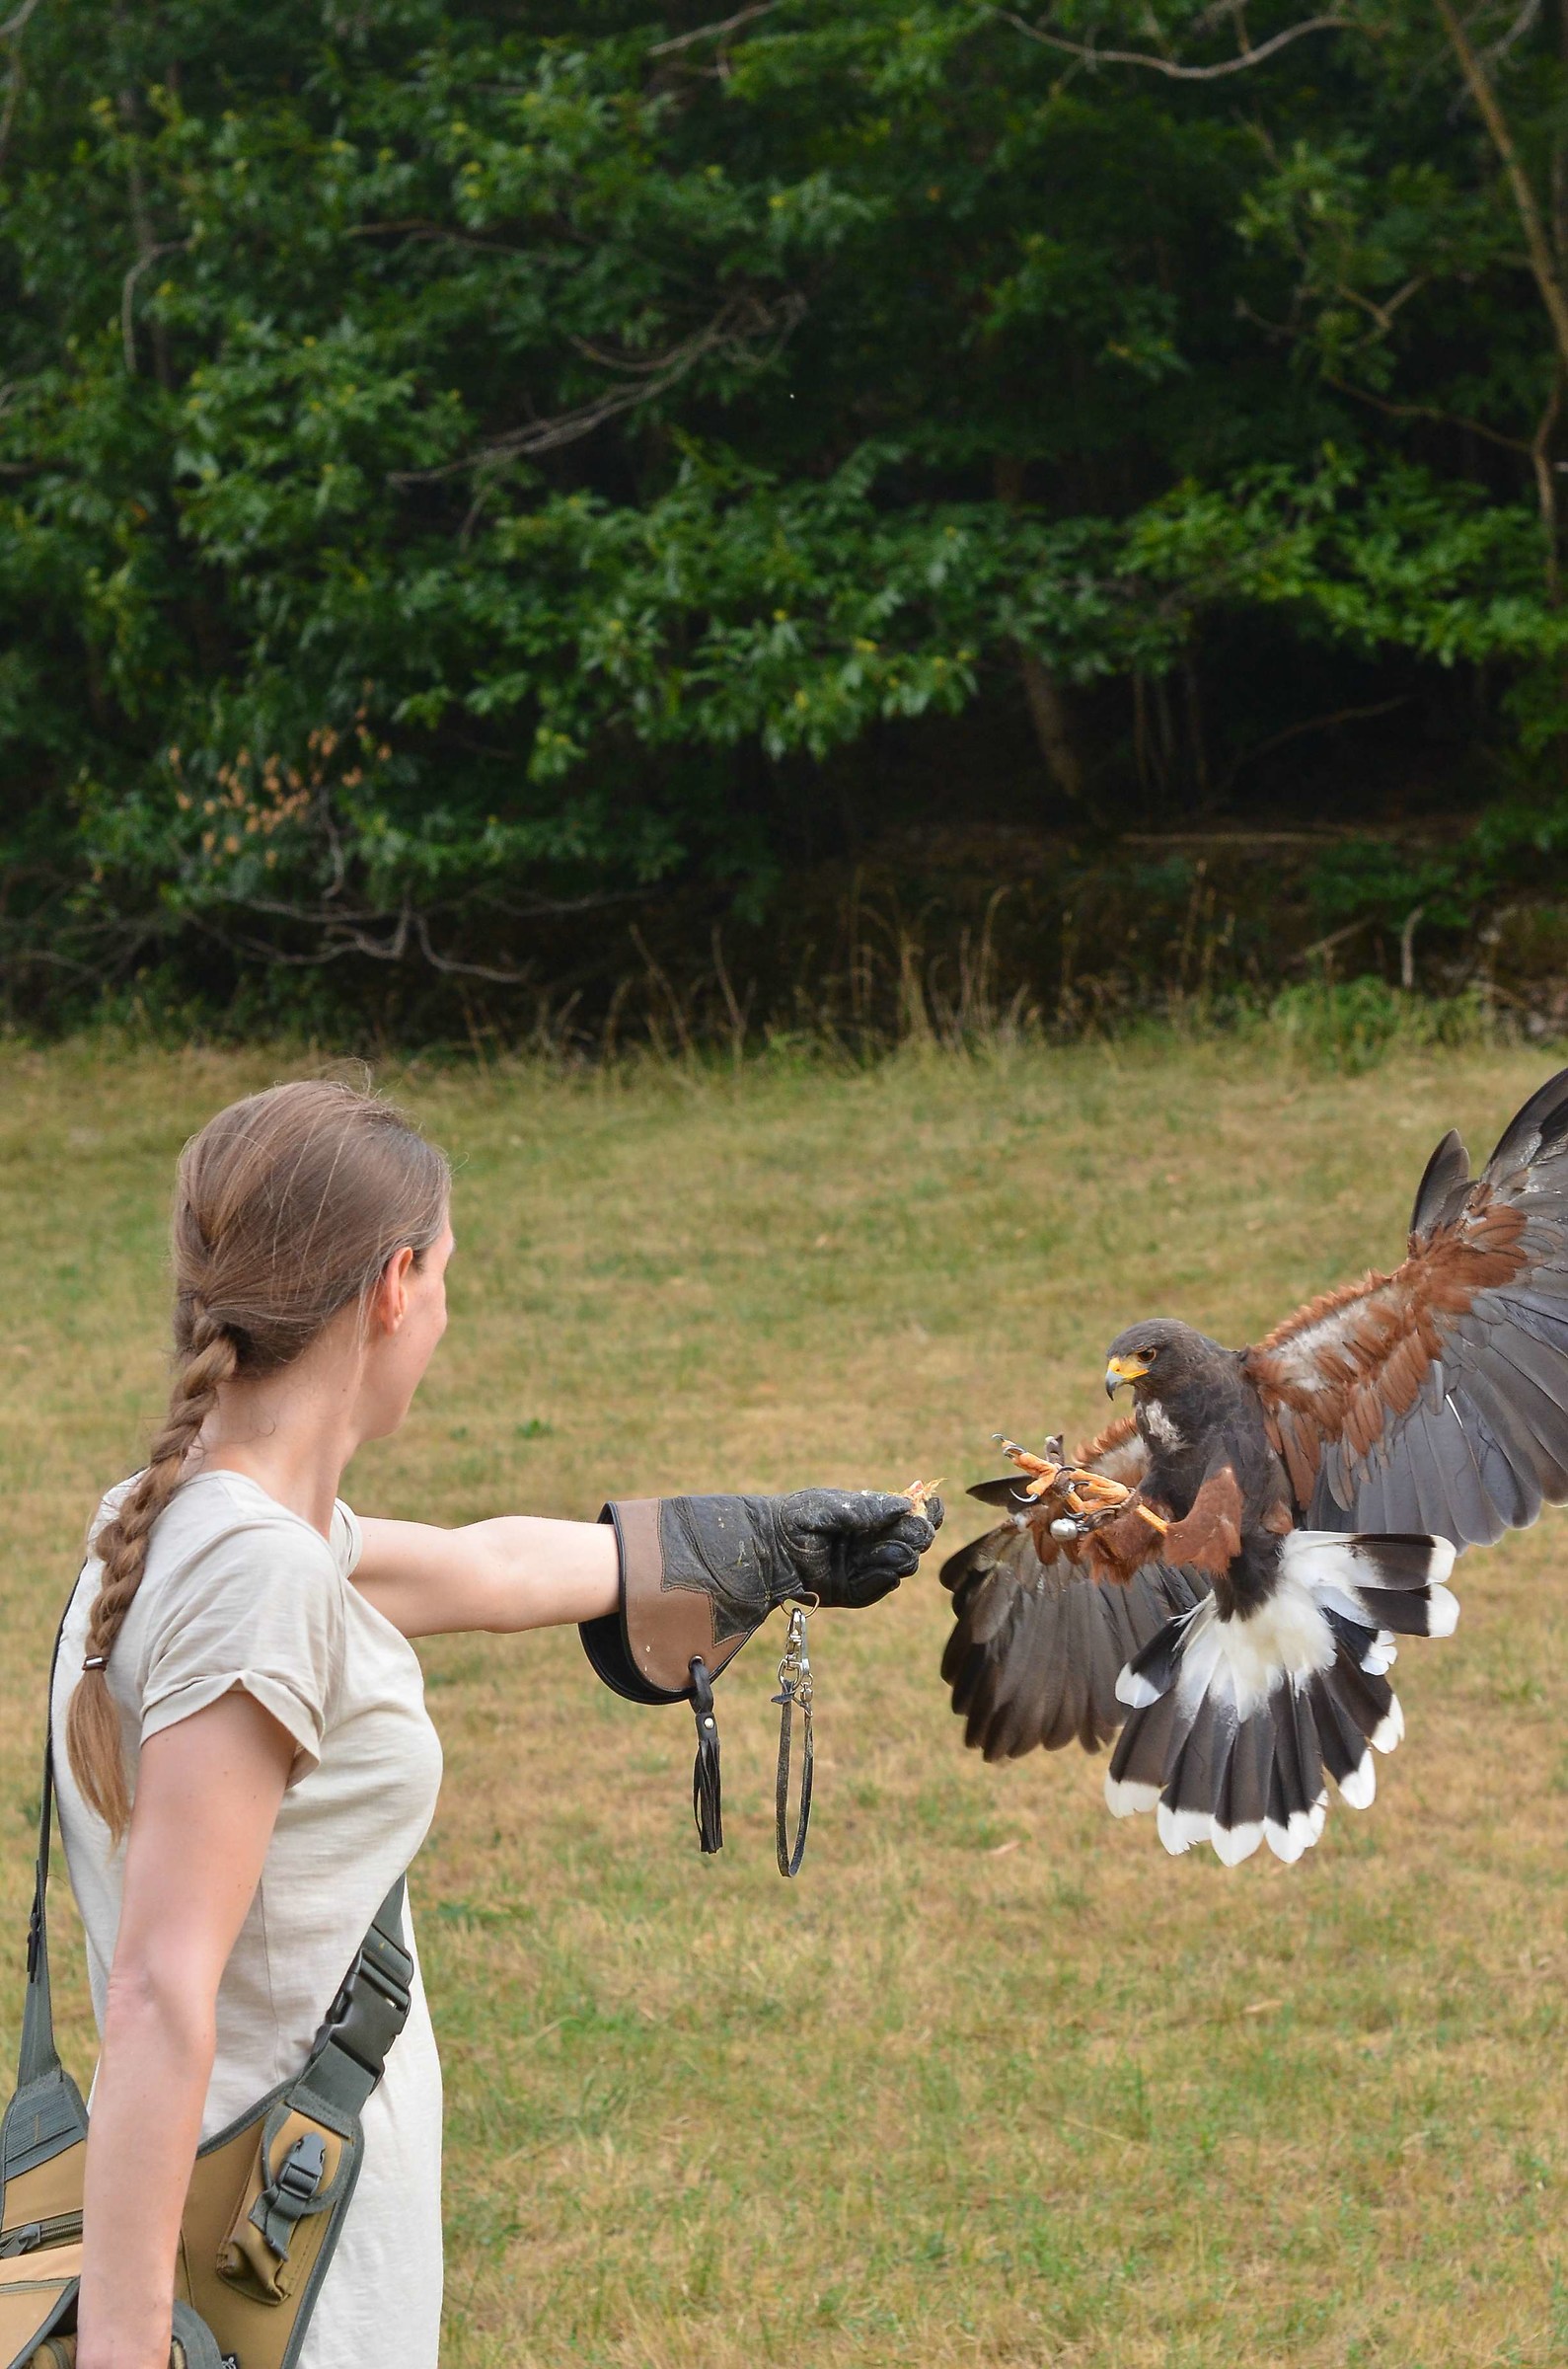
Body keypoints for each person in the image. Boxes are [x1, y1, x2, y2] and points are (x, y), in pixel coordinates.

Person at [48, 1077, 940, 2369]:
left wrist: (756, 1542)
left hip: (267, 2240)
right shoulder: (254, 1581)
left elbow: (477, 1570)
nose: (448, 1313)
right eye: (449, 1276)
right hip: (272, 2282)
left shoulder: (183, 1517)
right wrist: (127, 2351)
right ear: (393, 1289)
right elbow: (157, 1993)